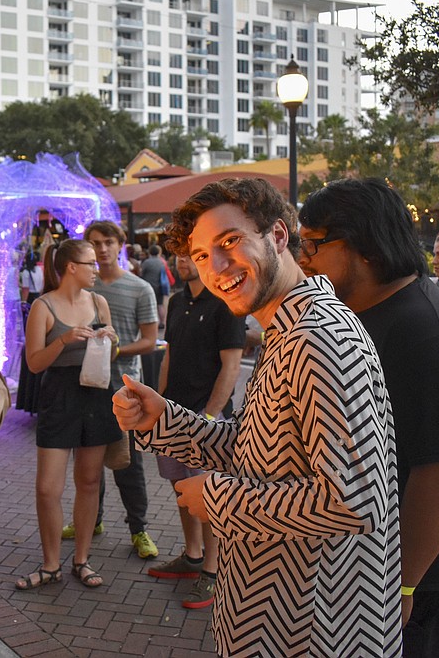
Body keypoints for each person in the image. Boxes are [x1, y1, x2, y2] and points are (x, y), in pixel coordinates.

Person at [112, 178, 401, 657]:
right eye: (202, 255)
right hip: (274, 614)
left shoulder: (316, 338)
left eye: (230, 242)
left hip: (313, 627)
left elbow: (352, 502)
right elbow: (259, 450)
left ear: (280, 237)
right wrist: (162, 420)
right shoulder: (287, 329)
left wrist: (219, 497)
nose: (217, 267)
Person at [299, 177, 439, 658]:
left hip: (414, 575)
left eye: (314, 244)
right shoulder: (357, 311)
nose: (303, 258)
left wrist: (403, 586)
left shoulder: (426, 333)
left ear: (366, 246)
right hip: (367, 558)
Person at [15, 238, 119, 590]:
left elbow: (111, 357)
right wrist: (63, 340)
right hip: (59, 395)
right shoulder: (43, 306)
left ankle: (82, 560)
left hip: (95, 393)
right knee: (48, 488)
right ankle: (50, 564)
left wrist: (110, 340)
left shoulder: (99, 302)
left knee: (90, 482)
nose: (97, 268)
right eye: (90, 263)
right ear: (71, 267)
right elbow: (33, 362)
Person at [147, 253, 245, 610]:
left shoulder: (224, 303)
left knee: (211, 498)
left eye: (190, 253)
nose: (181, 259)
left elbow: (232, 366)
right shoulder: (176, 301)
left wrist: (209, 418)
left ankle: (213, 570)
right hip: (173, 415)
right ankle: (192, 556)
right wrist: (160, 408)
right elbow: (169, 355)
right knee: (182, 490)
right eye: (179, 253)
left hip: (207, 422)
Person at [78, 220, 159, 559]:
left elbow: (150, 340)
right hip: (89, 387)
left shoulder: (140, 288)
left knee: (129, 464)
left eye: (108, 242)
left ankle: (138, 529)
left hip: (126, 387)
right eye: (95, 243)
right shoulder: (82, 292)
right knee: (88, 460)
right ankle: (91, 520)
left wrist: (112, 349)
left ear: (120, 244)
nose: (102, 249)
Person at [15, 249, 45, 415]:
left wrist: (24, 302)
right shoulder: (39, 271)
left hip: (31, 299)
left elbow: (25, 288)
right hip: (38, 296)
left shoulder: (26, 272)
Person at [139, 244, 168, 328]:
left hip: (148, 286)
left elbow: (141, 273)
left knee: (148, 305)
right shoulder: (161, 262)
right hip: (159, 286)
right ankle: (162, 322)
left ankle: (149, 323)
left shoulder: (147, 262)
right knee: (160, 304)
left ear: (150, 252)